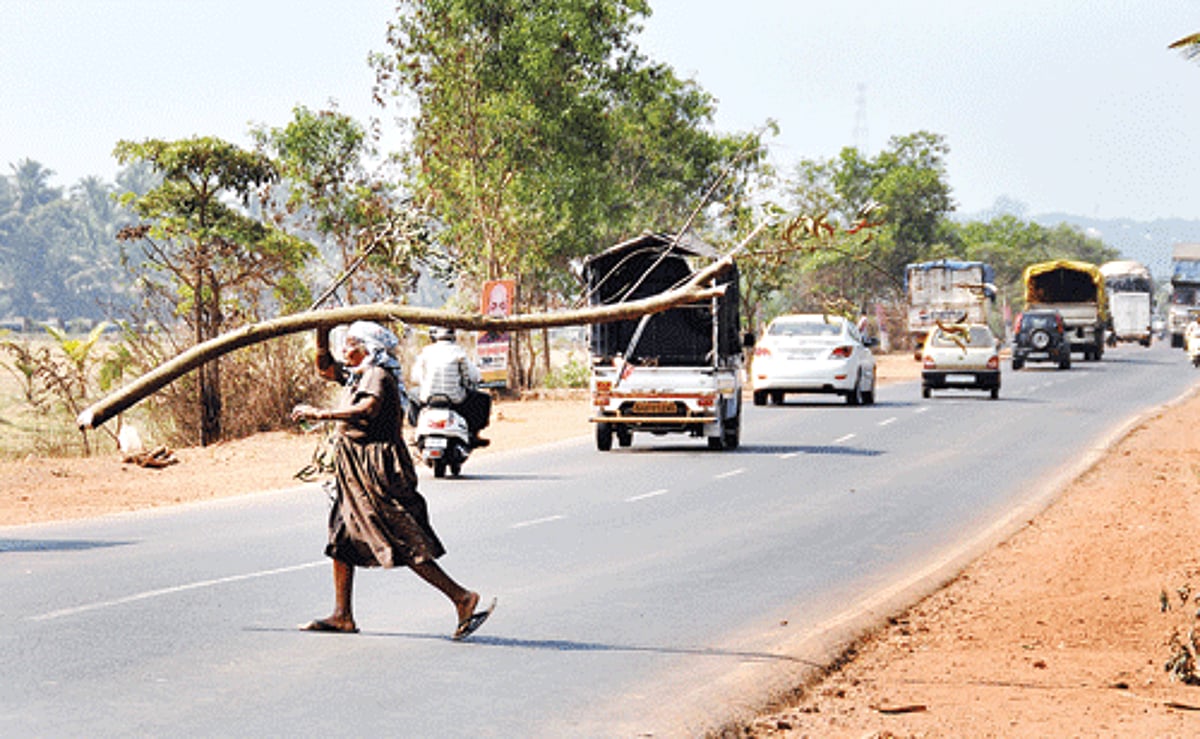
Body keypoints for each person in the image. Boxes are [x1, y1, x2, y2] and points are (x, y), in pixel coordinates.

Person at [291, 320, 494, 639]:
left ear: (368, 349)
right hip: (354, 469)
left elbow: (367, 409)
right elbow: (324, 368)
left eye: (351, 344)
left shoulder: (378, 375)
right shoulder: (358, 374)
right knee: (342, 535)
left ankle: (462, 598)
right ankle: (342, 615)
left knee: (399, 537)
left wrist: (321, 415)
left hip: (377, 469)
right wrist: (322, 330)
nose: (345, 350)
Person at [410, 327, 493, 448]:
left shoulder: (426, 352)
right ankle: (474, 434)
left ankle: (415, 428)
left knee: (412, 394)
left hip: (428, 398)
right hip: (455, 398)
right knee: (484, 398)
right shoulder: (458, 352)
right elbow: (472, 376)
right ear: (453, 336)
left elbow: (415, 377)